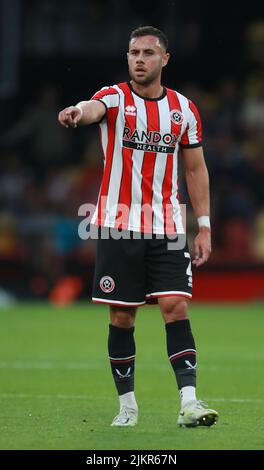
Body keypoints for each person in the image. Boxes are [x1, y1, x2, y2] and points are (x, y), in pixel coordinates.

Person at [58, 26, 219, 428]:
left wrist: (204, 226)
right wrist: (78, 112)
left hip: (166, 225)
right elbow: (92, 109)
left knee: (176, 306)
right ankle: (127, 406)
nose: (139, 59)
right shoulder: (113, 97)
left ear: (165, 59)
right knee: (122, 318)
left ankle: (189, 403)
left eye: (148, 52)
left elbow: (196, 168)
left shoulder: (183, 109)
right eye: (133, 52)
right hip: (118, 225)